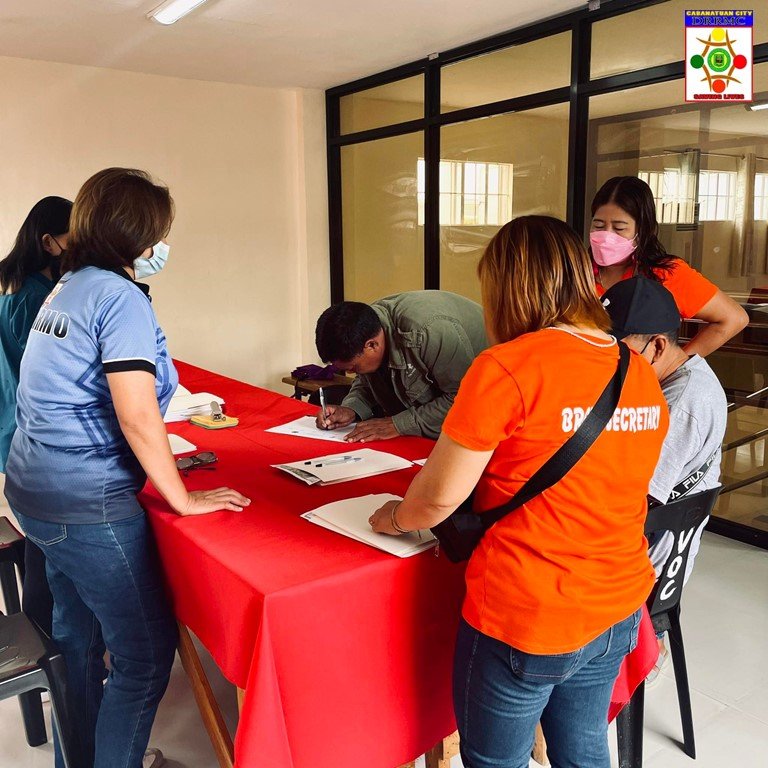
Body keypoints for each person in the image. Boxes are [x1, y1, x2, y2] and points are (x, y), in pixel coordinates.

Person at [369, 216, 669, 768]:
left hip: (527, 612)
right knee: (582, 751)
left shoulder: (506, 367)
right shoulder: (638, 369)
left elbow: (434, 502)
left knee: (494, 760)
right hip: (618, 603)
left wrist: (392, 516)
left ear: (508, 289)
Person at [4, 168, 250, 768]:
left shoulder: (69, 285)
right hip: (85, 499)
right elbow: (139, 416)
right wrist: (185, 499)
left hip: (34, 489)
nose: (162, 246)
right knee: (142, 654)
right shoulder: (117, 296)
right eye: (158, 233)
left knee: (79, 640)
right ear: (139, 235)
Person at [602, 276, 727, 680]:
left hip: (645, 575)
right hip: (653, 545)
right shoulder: (683, 374)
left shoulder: (681, 403)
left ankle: (638, 655)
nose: (609, 363)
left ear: (657, 346)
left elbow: (632, 499)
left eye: (618, 351)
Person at [0, 196, 71, 637]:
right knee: (49, 553)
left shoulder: (18, 285)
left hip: (16, 432)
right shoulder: (34, 297)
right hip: (30, 436)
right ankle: (50, 649)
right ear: (48, 242)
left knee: (43, 547)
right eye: (75, 240)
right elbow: (48, 375)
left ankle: (47, 641)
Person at [590, 176, 748, 357]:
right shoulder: (576, 270)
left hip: (640, 381)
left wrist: (674, 368)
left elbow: (734, 318)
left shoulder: (666, 274)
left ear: (641, 230)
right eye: (598, 225)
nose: (606, 236)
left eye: (619, 228)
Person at [313, 291, 487, 441]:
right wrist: (351, 408)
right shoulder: (367, 327)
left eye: (354, 368)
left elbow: (465, 400)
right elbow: (368, 380)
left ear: (372, 345)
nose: (352, 373)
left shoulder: (426, 332)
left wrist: (399, 425)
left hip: (492, 412)